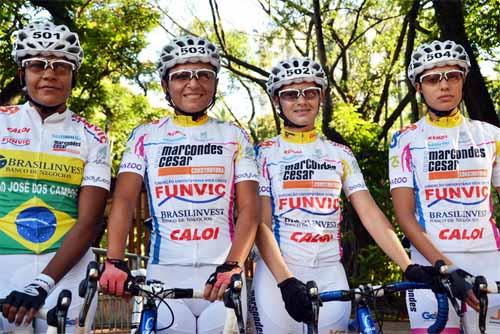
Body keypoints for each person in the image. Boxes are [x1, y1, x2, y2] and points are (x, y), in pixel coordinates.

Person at [250, 57, 440, 333]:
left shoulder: (340, 154)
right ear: (278, 101)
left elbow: (370, 214)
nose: (301, 101)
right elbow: (260, 223)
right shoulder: (263, 153)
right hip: (277, 275)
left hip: (330, 272)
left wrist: (408, 266)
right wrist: (286, 281)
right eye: (291, 94)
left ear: (321, 97)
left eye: (310, 92)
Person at [99, 35, 259, 333]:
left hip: (221, 274)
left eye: (204, 75)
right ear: (165, 85)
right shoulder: (145, 136)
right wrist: (115, 260)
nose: (193, 83)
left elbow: (250, 209)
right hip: (165, 274)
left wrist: (233, 265)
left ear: (215, 82)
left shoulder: (235, 136)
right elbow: (122, 200)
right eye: (182, 75)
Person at [0, 21, 110, 332]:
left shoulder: (93, 136)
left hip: (66, 271)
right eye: (38, 65)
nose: (49, 74)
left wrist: (42, 283)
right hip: (4, 263)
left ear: (72, 76)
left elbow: (91, 221)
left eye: (61, 66)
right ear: (23, 74)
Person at [389, 39, 500, 333]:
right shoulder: (404, 140)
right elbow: (404, 215)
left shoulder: (491, 135)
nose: (444, 85)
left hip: (488, 259)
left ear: (463, 80)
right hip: (431, 263)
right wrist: (445, 267)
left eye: (452, 75)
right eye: (432, 78)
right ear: (419, 87)